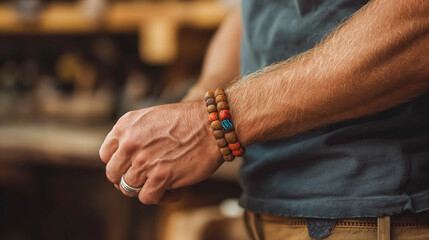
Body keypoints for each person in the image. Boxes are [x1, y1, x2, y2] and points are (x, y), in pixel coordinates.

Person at [99, 0, 429, 239]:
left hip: (369, 211)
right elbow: (254, 11)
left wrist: (209, 125)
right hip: (263, 206)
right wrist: (193, 109)